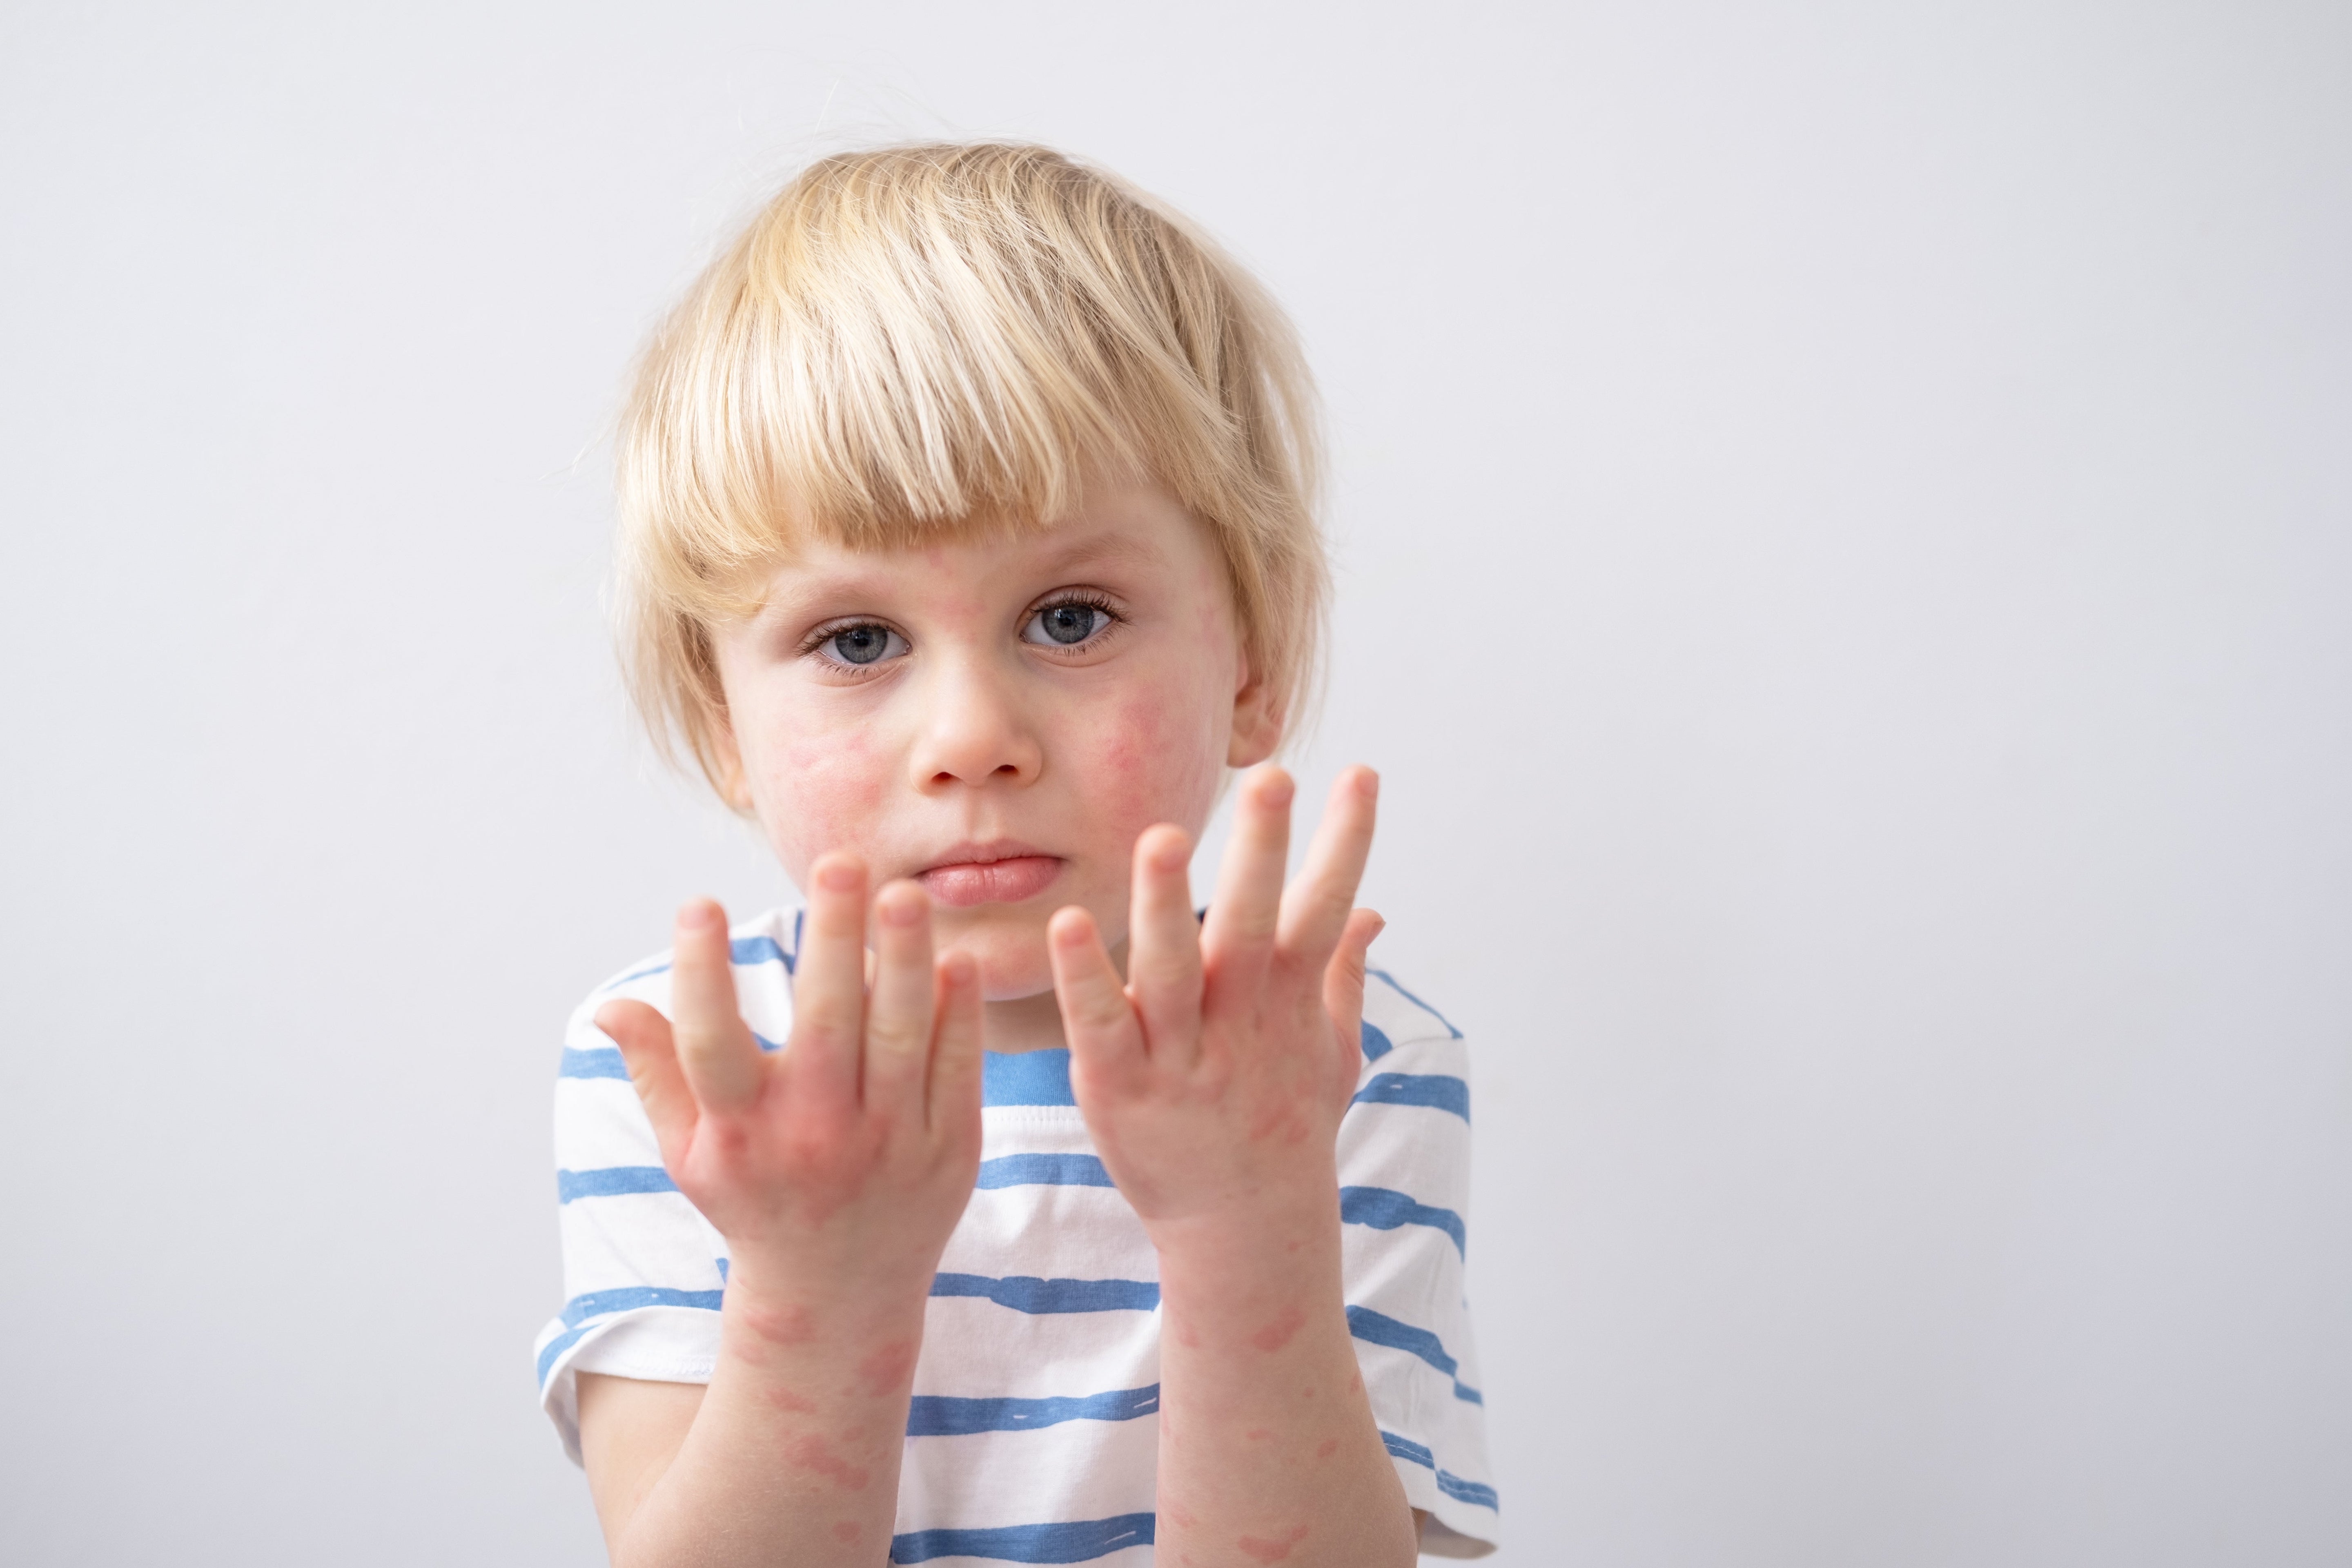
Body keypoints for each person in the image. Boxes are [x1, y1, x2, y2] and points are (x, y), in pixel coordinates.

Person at [534, 142, 1497, 1566]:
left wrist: (1244, 1220)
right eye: (857, 640)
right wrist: (821, 1288)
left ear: (1254, 661)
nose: (972, 738)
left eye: (1071, 618)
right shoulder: (687, 1067)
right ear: (719, 718)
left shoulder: (1334, 1062)